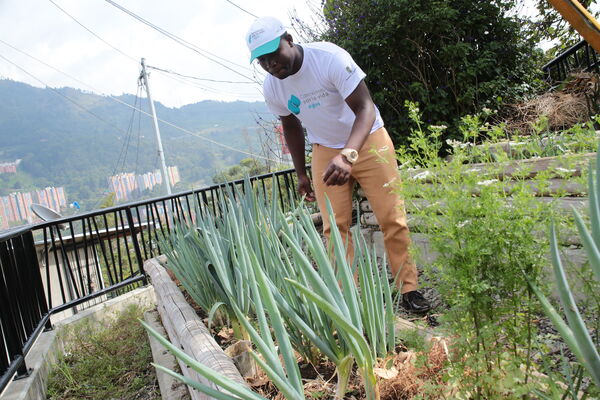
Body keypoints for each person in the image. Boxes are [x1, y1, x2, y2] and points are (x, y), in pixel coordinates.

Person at [246, 16, 430, 313]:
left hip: (369, 140)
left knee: (391, 218)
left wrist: (348, 155)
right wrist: (301, 173)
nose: (271, 64)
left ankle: (409, 289)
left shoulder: (329, 58)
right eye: (262, 60)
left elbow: (366, 108)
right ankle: (350, 298)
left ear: (289, 39)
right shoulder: (273, 87)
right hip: (325, 148)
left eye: (274, 54)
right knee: (335, 226)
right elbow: (291, 126)